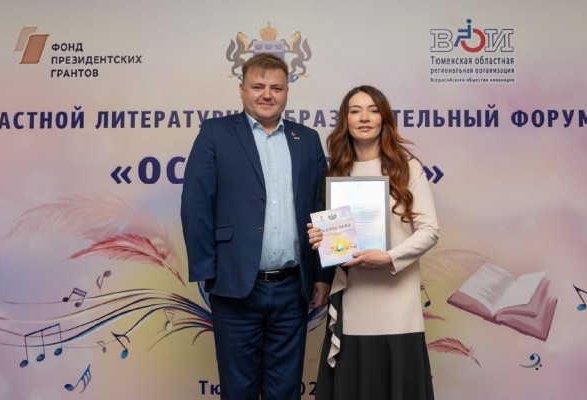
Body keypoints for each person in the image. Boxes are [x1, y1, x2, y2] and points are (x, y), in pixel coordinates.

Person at [180, 53, 333, 400]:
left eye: (276, 88)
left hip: (293, 289)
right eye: (258, 86)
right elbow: (196, 204)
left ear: (286, 92)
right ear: (242, 89)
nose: (267, 94)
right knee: (239, 390)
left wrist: (322, 275)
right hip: (234, 286)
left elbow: (320, 209)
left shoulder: (307, 139)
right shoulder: (215, 133)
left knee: (285, 390)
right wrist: (209, 273)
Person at [308, 85, 439, 400]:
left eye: (373, 110)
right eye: (355, 111)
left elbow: (430, 230)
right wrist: (320, 239)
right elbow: (337, 244)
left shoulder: (407, 167)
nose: (364, 117)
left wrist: (389, 258)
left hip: (398, 302)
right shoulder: (337, 173)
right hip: (354, 298)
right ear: (345, 121)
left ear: (385, 119)